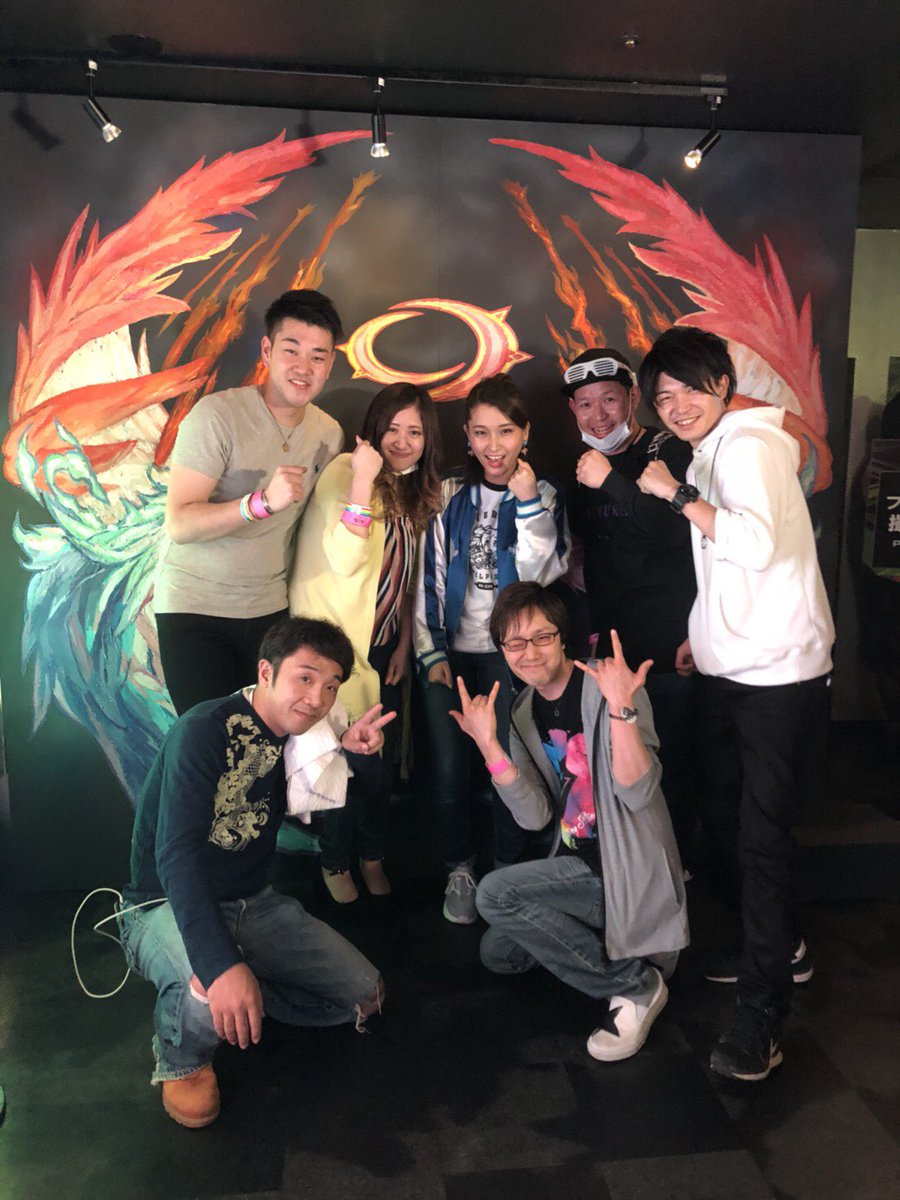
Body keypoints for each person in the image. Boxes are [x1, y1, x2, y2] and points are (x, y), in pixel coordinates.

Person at [636, 326, 835, 1082]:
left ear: (723, 384)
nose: (677, 405)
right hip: (732, 672)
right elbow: (726, 566)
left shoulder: (748, 447)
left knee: (759, 840)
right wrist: (703, 635)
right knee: (724, 821)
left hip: (777, 680)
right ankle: (775, 947)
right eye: (664, 396)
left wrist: (675, 494)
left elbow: (754, 546)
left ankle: (763, 1015)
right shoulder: (715, 448)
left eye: (691, 388)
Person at [119, 616, 394, 1128]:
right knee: (210, 984)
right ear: (266, 671)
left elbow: (362, 796)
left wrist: (362, 757)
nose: (317, 698)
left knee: (365, 996)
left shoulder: (304, 737)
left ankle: (243, 988)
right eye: (305, 678)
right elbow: (176, 855)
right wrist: (220, 965)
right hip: (162, 903)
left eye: (331, 686)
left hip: (253, 901)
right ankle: (182, 1056)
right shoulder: (205, 728)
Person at [449, 581, 687, 1061]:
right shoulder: (522, 712)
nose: (529, 653)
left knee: (494, 894)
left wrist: (621, 710)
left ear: (562, 638)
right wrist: (490, 746)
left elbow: (638, 791)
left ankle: (635, 983)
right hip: (578, 863)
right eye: (515, 643)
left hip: (624, 869)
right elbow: (534, 816)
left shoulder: (607, 684)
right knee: (499, 953)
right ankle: (611, 946)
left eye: (542, 637)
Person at [414, 375, 570, 924]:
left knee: (510, 765)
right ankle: (460, 867)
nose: (493, 445)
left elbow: (539, 577)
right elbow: (428, 578)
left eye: (505, 431)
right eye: (481, 432)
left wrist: (526, 504)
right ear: (467, 435)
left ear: (525, 433)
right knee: (450, 770)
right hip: (451, 656)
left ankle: (507, 870)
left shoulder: (544, 493)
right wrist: (432, 653)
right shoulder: (450, 492)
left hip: (513, 657)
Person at [154, 290, 344, 714]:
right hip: (195, 610)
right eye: (291, 350)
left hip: (270, 614)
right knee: (210, 738)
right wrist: (260, 504)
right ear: (267, 351)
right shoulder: (216, 416)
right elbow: (180, 524)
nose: (304, 367)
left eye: (317, 356)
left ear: (330, 363)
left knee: (265, 739)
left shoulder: (329, 435)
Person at [289, 383, 443, 903]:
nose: (402, 441)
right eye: (392, 428)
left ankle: (373, 854)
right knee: (346, 767)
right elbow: (345, 556)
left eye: (415, 431)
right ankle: (336, 860)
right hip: (337, 652)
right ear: (374, 430)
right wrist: (361, 479)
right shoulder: (344, 472)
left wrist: (402, 645)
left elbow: (407, 577)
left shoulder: (409, 489)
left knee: (379, 771)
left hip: (382, 650)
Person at [564, 348, 697, 859]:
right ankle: (630, 863)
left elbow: (678, 534)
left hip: (668, 639)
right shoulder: (580, 466)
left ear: (634, 397)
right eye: (585, 404)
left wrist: (610, 481)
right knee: (619, 760)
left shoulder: (668, 451)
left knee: (674, 760)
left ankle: (678, 865)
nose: (598, 415)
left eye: (610, 400)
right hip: (609, 645)